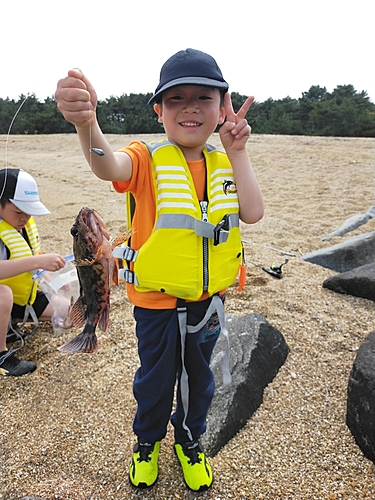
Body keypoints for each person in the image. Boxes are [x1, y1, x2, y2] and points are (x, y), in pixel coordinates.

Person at [55, 48, 264, 492]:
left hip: (208, 302)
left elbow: (253, 212)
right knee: (154, 380)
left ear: (223, 106)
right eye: (176, 99)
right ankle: (147, 444)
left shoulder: (227, 160)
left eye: (203, 98)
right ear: (158, 111)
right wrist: (86, 123)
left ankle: (189, 443)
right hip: (154, 303)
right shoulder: (145, 159)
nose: (190, 107)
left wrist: (238, 150)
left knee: (199, 380)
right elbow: (105, 164)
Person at [0, 168, 66, 376]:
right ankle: (1, 356)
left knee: (68, 314)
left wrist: (54, 281)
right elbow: (32, 261)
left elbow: (34, 262)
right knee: (3, 295)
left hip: (21, 299)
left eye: (29, 212)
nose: (25, 218)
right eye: (19, 212)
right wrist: (37, 261)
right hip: (5, 296)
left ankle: (9, 322)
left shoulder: (23, 227)